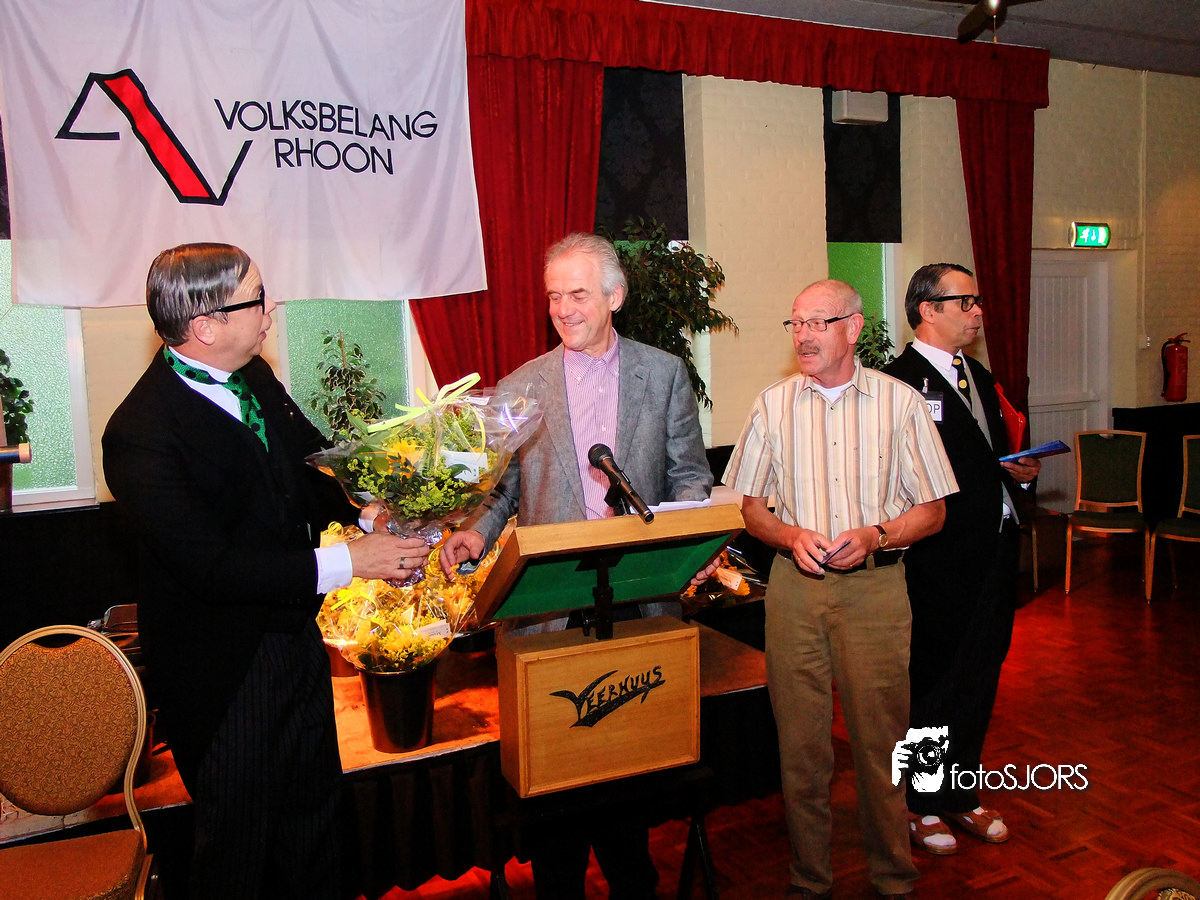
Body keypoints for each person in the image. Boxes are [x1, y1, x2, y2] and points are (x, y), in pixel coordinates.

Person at [103, 242, 429, 899]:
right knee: (241, 850)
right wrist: (351, 561)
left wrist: (366, 512)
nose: (271, 306)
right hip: (224, 673)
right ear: (206, 325)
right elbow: (214, 569)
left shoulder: (252, 376)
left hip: (294, 644)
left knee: (314, 833)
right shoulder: (140, 433)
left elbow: (309, 463)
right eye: (255, 297)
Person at [440, 231, 713, 899]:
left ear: (615, 296)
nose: (563, 308)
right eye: (554, 296)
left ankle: (632, 882)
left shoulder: (663, 374)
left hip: (638, 601)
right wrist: (474, 534)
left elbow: (689, 477)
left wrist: (695, 547)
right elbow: (503, 491)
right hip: (548, 606)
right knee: (555, 791)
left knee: (625, 778)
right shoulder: (520, 386)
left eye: (579, 294)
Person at [722, 278, 959, 900]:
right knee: (801, 750)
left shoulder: (900, 404)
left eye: (817, 323)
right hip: (794, 592)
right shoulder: (771, 405)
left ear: (853, 328)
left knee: (883, 744)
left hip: (875, 594)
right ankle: (809, 880)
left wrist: (879, 534)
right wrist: (787, 534)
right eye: (795, 323)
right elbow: (750, 509)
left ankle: (893, 877)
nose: (803, 335)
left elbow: (934, 511)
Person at [883, 263, 1040, 856]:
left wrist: (1020, 472)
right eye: (965, 301)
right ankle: (918, 803)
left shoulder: (978, 375)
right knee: (935, 681)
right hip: (937, 559)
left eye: (977, 301)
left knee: (980, 673)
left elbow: (989, 457)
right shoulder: (897, 384)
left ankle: (960, 791)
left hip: (994, 550)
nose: (978, 312)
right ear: (928, 309)